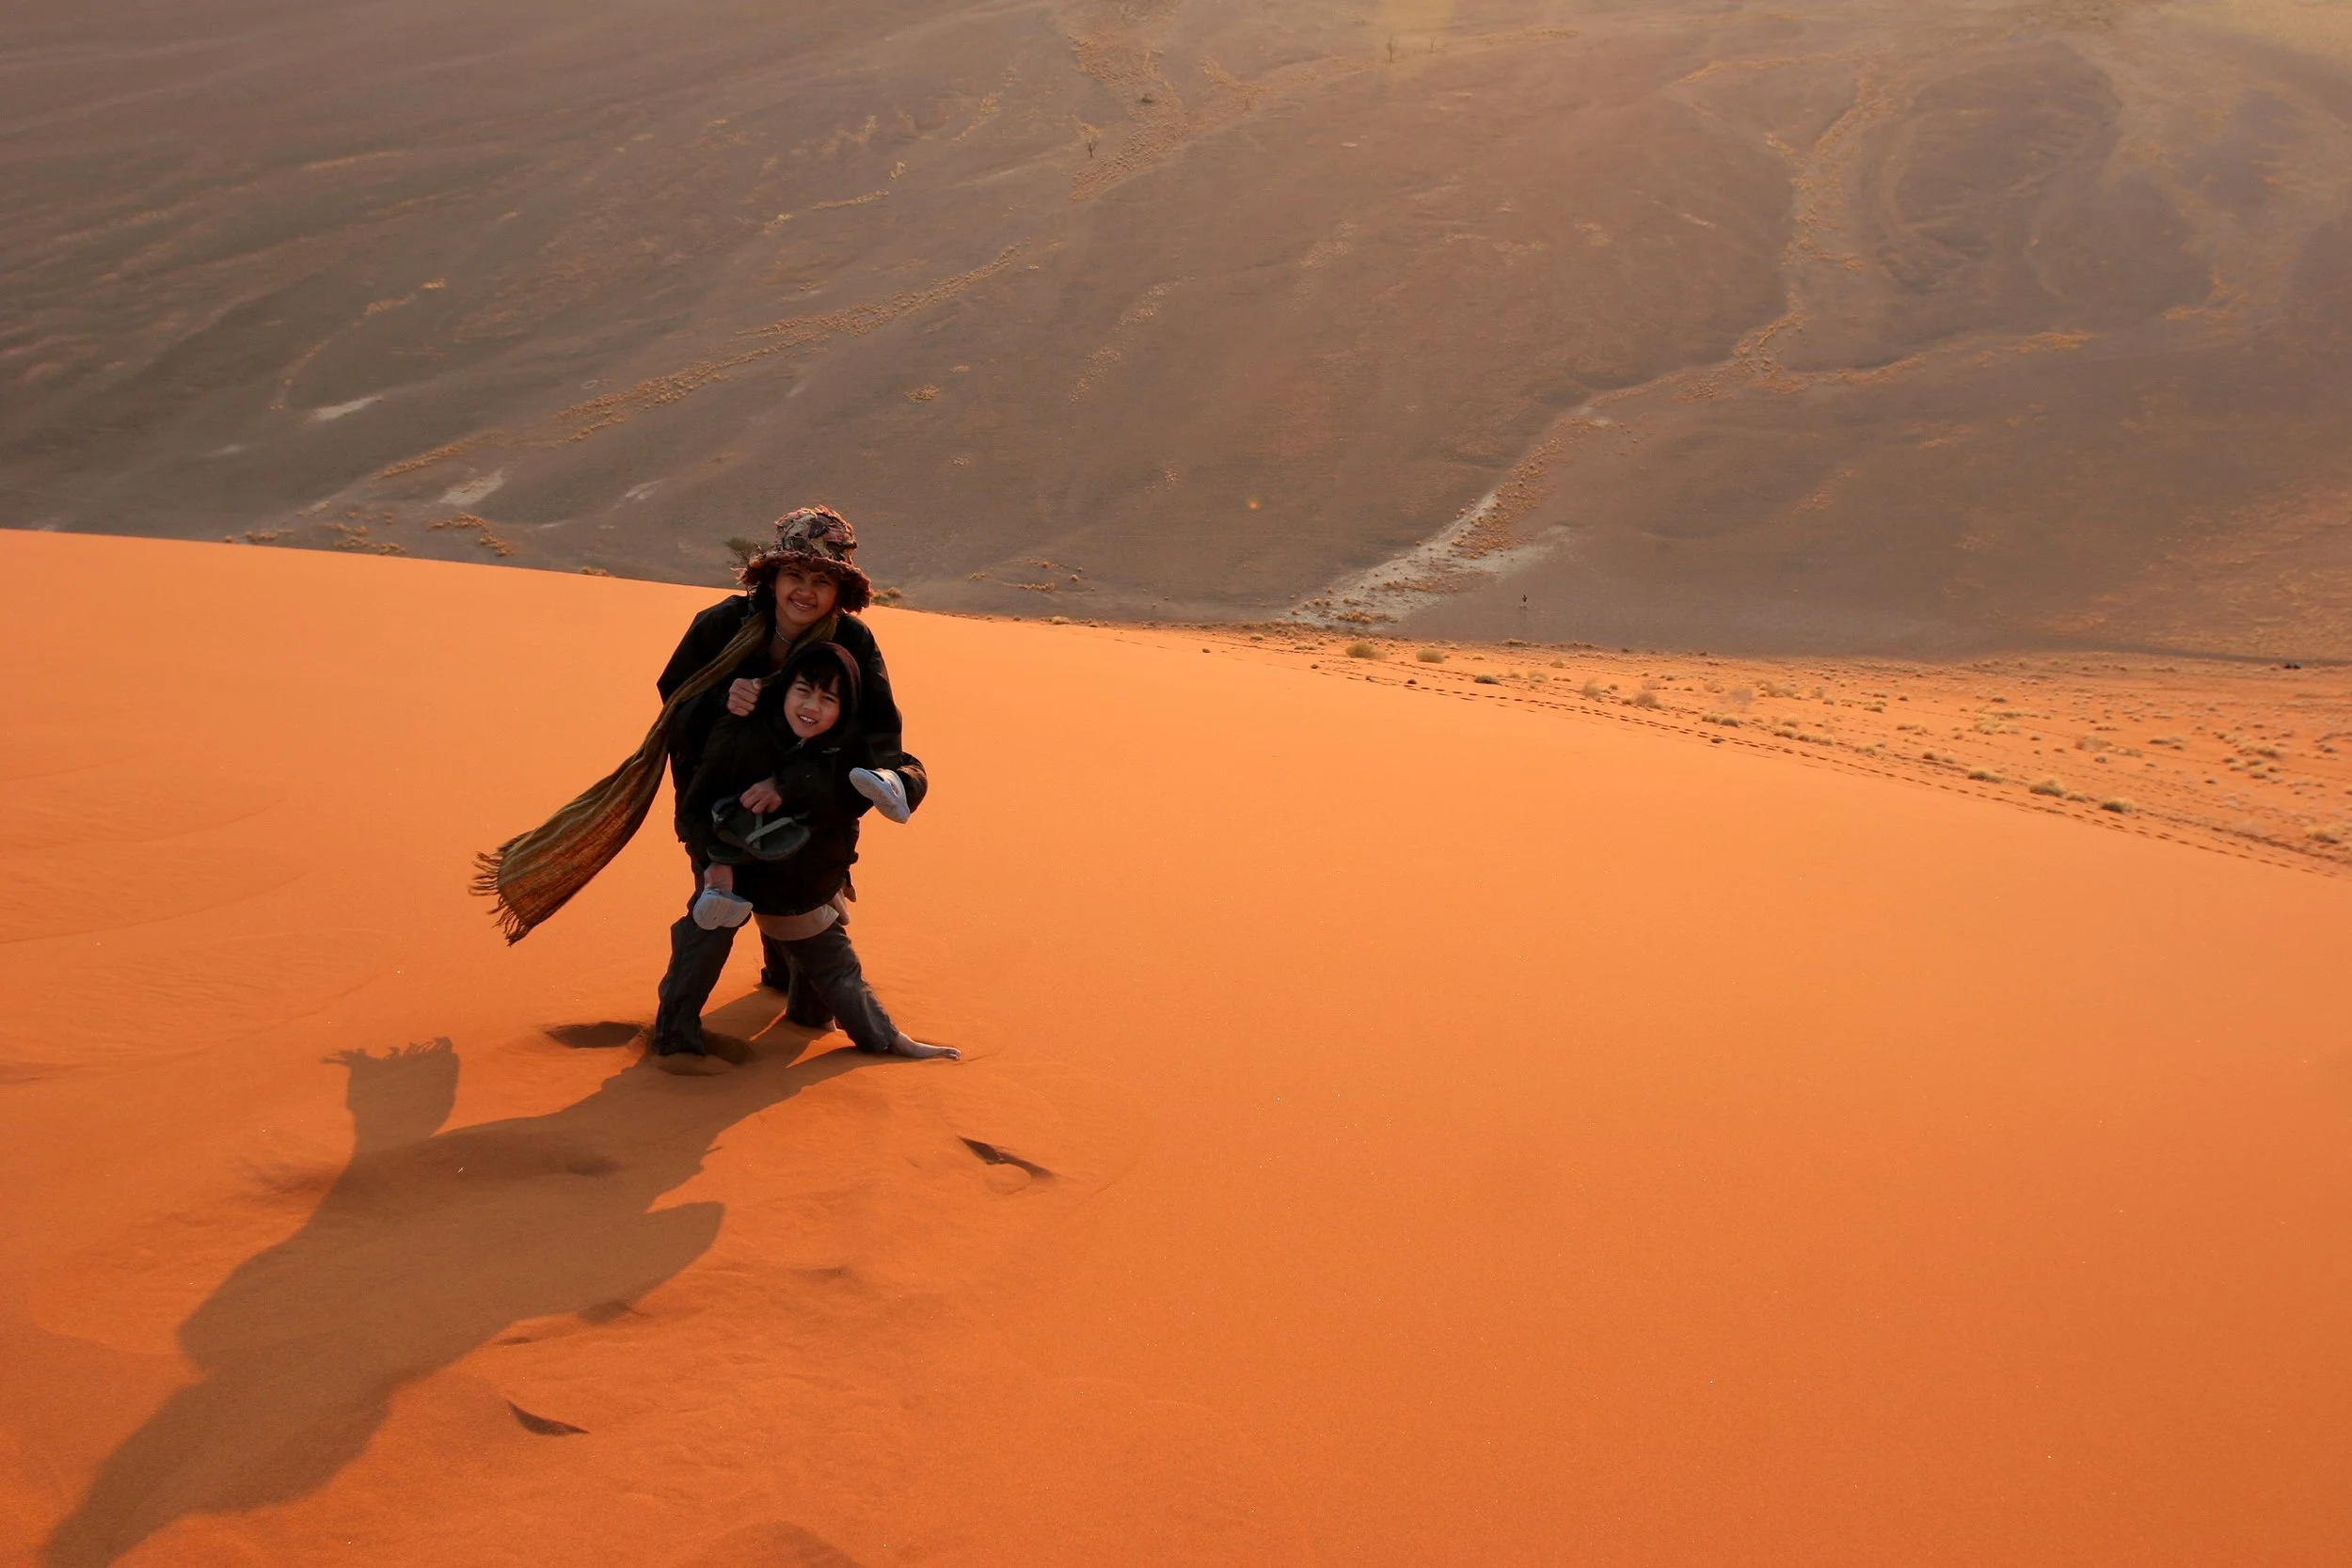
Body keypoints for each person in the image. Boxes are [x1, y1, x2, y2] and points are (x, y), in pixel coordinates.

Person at [655, 507, 928, 1002]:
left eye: (823, 580)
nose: (806, 591)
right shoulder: (721, 625)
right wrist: (721, 699)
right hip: (720, 794)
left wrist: (810, 784)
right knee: (718, 905)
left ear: (840, 592)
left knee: (797, 906)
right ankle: (676, 1033)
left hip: (809, 795)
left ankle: (786, 982)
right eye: (795, 575)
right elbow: (674, 703)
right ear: (773, 577)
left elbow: (876, 725)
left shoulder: (851, 639)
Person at [650, 641, 956, 1072]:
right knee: (703, 937)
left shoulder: (848, 749)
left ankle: (884, 1039)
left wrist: (787, 787)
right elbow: (694, 805)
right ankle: (673, 1043)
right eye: (803, 691)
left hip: (802, 881)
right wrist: (713, 865)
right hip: (733, 873)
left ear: (844, 706)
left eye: (828, 698)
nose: (812, 707)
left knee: (831, 976)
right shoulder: (741, 731)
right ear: (783, 689)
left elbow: (849, 799)